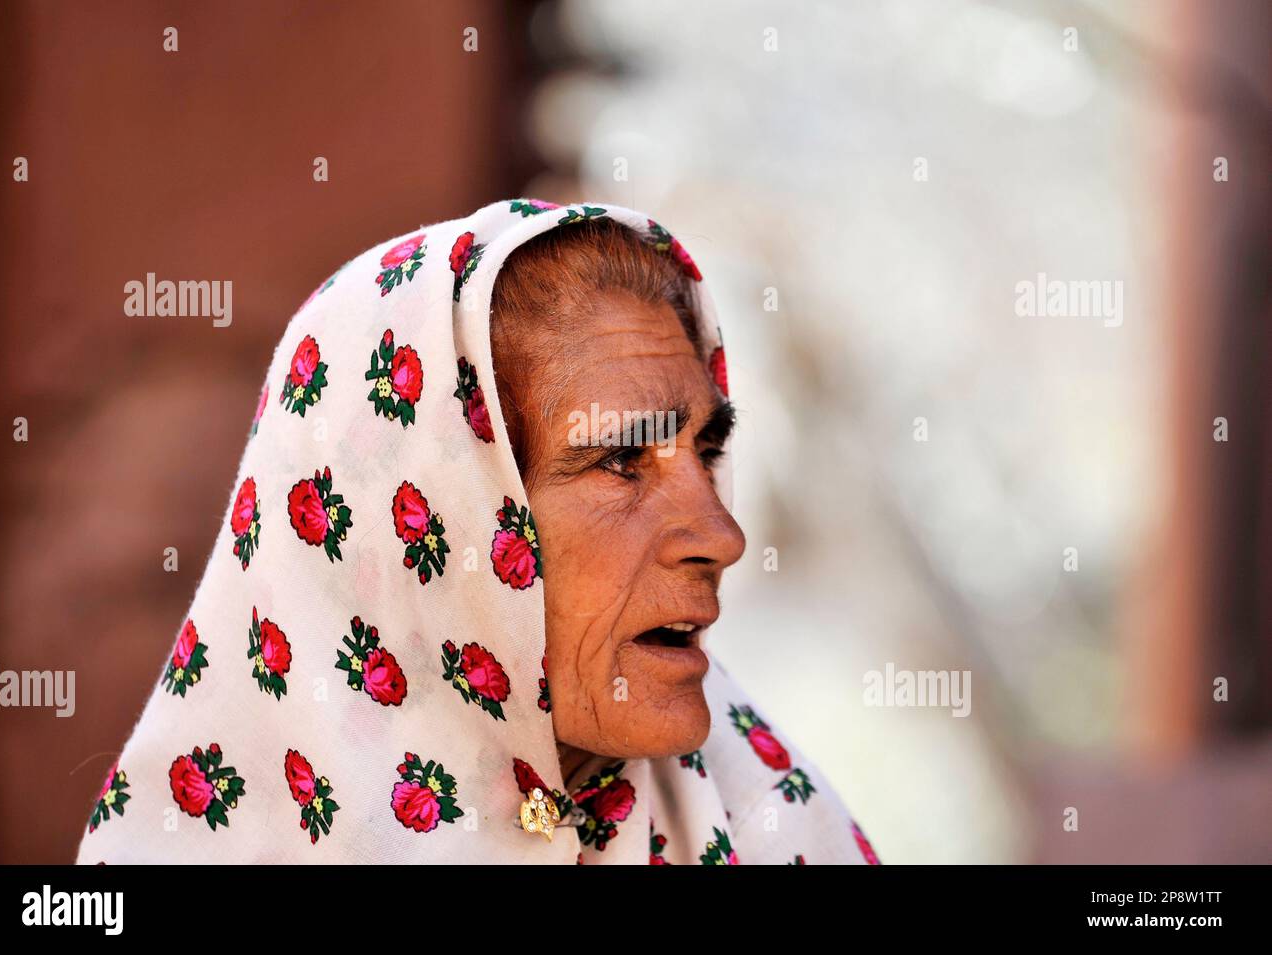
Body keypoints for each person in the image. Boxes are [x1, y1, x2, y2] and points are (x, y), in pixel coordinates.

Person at [76, 199, 880, 865]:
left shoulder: (762, 820)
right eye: (621, 461)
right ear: (425, 537)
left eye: (706, 450)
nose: (721, 534)